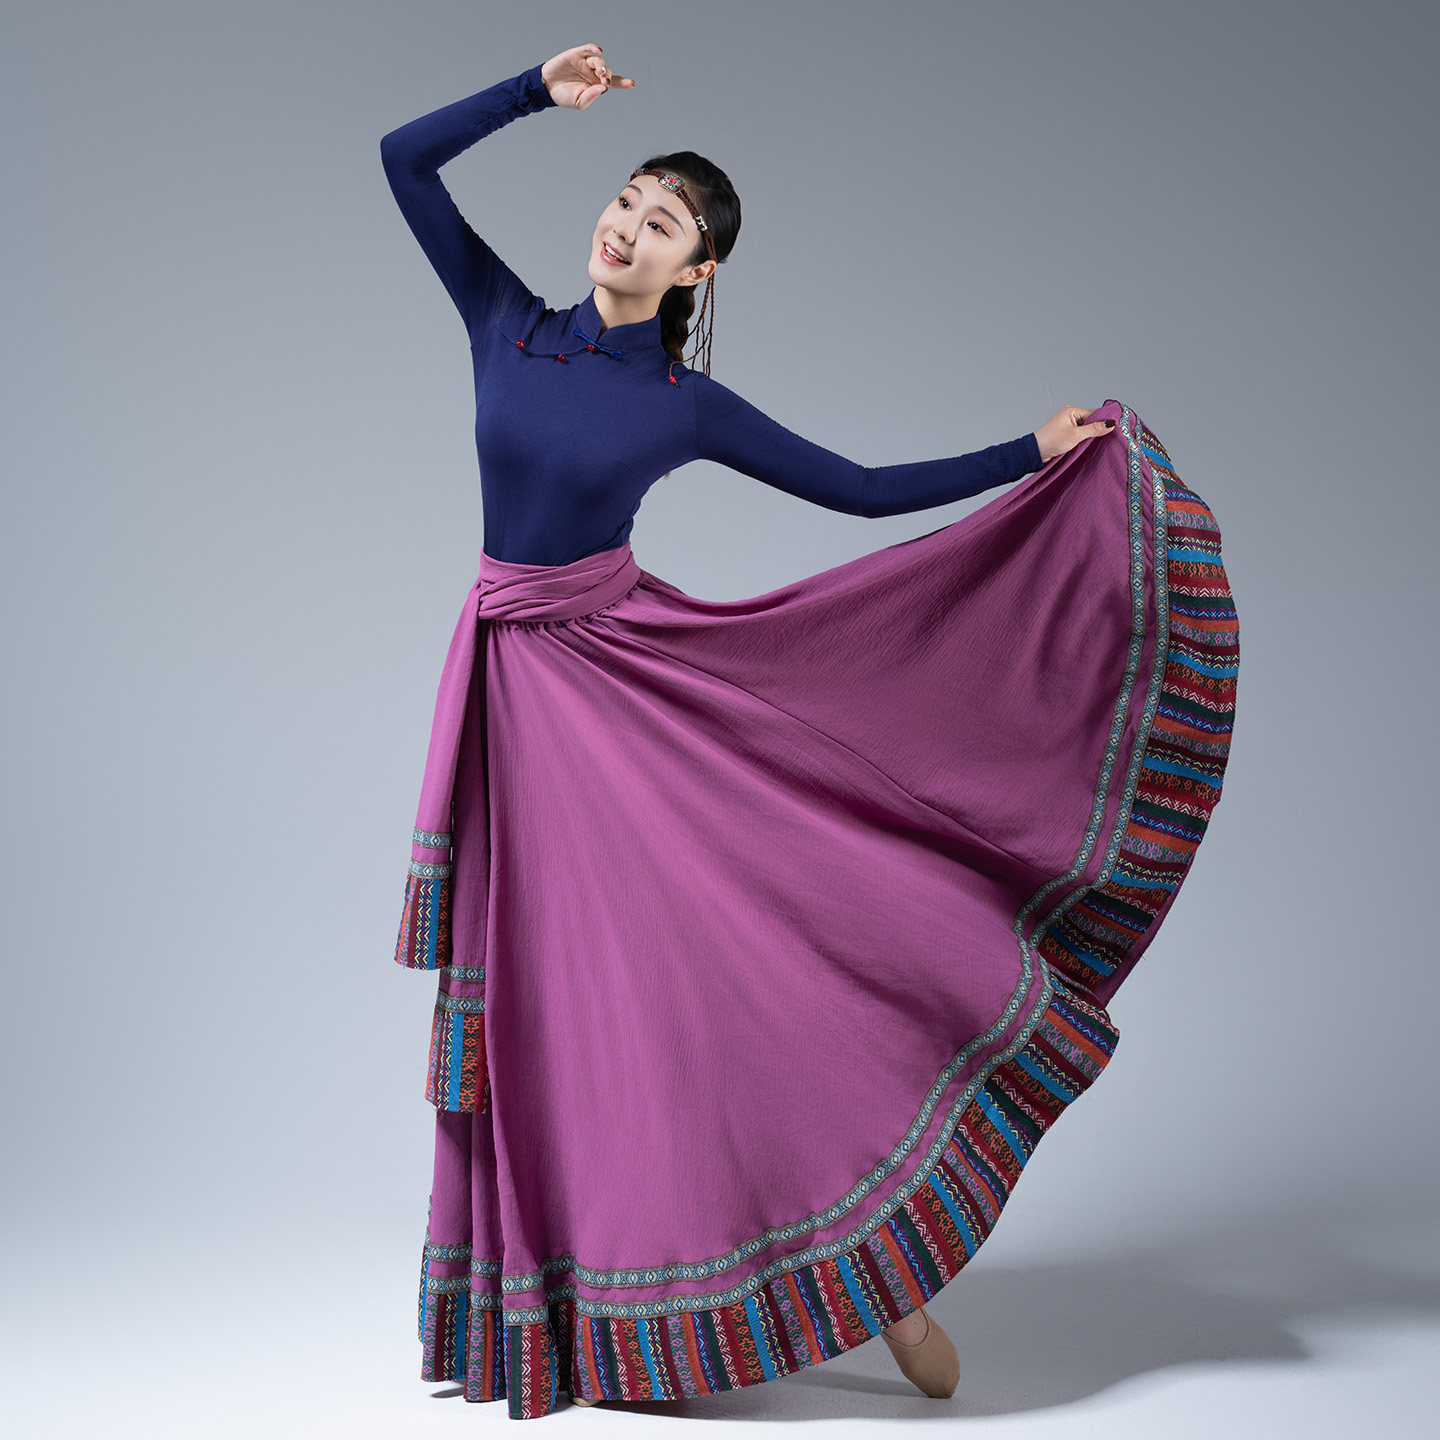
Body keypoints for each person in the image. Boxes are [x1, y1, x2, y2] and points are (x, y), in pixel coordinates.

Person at [379, 42, 1239, 1420]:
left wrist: (1026, 456)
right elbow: (402, 162)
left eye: (665, 221)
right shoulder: (505, 322)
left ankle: (881, 1276)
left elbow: (858, 488)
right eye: (627, 198)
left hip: (625, 702)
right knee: (554, 1012)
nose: (628, 224)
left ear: (698, 271)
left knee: (723, 973)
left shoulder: (680, 405)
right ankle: (581, 1310)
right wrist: (535, 92)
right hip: (514, 709)